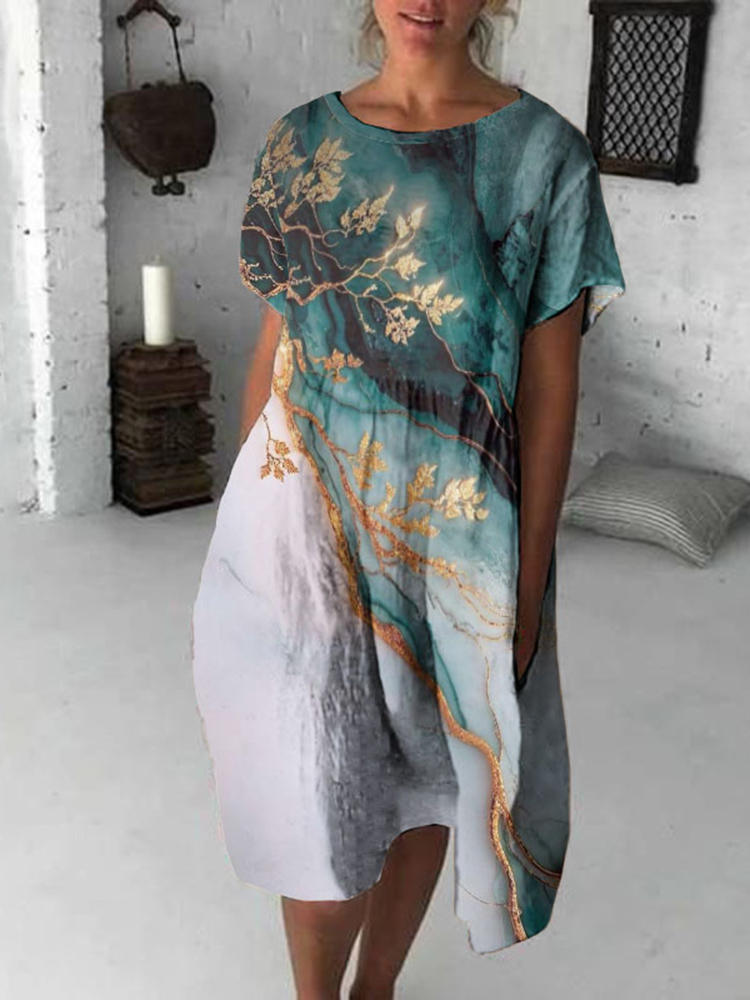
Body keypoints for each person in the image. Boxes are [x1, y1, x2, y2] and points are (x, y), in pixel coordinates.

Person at [191, 1, 626, 997]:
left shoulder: (545, 158)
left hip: (458, 535)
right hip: (303, 528)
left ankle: (376, 987)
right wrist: (240, 529)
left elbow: (550, 382)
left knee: (430, 778)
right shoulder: (300, 142)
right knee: (317, 787)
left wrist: (528, 578)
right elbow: (275, 346)